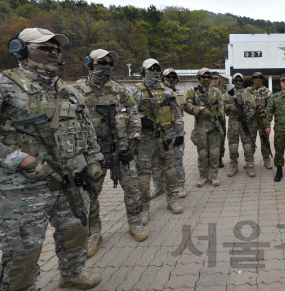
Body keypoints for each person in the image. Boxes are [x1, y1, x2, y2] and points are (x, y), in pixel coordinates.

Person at [0, 28, 103, 289]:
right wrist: (19, 159)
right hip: (24, 186)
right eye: (45, 48)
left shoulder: (69, 90)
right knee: (24, 247)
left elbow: (86, 130)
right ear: (20, 50)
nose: (54, 53)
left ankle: (72, 272)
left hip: (71, 179)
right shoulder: (6, 85)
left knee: (75, 230)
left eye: (57, 49)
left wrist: (93, 160)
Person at [72, 49, 149, 257]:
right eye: (100, 62)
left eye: (109, 63)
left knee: (132, 188)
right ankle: (93, 234)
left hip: (121, 149)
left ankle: (135, 223)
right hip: (92, 153)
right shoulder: (76, 91)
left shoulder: (121, 90)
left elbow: (134, 115)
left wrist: (133, 142)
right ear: (89, 63)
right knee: (90, 195)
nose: (105, 66)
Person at [131, 59, 184, 224]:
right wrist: (140, 120)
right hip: (146, 140)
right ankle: (144, 209)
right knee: (144, 177)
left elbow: (176, 114)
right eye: (150, 69)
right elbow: (127, 115)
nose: (154, 72)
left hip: (166, 136)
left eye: (157, 69)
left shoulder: (168, 92)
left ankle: (172, 200)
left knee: (170, 170)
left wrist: (180, 134)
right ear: (143, 71)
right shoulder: (135, 92)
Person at [184, 68, 225, 187]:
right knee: (202, 153)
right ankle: (203, 177)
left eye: (208, 77)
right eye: (204, 77)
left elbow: (221, 106)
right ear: (199, 77)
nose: (206, 79)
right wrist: (199, 109)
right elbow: (186, 106)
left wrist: (220, 117)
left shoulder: (216, 92)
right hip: (200, 126)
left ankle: (214, 177)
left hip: (214, 125)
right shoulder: (193, 91)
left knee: (215, 153)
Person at [162, 68, 188, 198]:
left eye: (173, 77)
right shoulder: (157, 92)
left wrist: (180, 134)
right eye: (168, 77)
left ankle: (181, 186)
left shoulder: (178, 94)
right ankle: (158, 186)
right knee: (158, 164)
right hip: (161, 133)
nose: (171, 79)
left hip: (175, 132)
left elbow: (182, 112)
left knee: (178, 161)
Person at [225, 73, 256, 177]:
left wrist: (247, 117)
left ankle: (250, 165)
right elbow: (222, 106)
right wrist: (230, 107)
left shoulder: (248, 94)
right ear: (233, 82)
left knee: (248, 146)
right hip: (233, 123)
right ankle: (234, 166)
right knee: (233, 147)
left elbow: (253, 107)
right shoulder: (228, 94)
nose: (238, 82)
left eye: (240, 80)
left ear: (243, 81)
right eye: (236, 80)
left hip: (245, 123)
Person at [246, 72, 273, 169]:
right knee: (250, 140)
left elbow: (271, 106)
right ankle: (249, 160)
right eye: (256, 78)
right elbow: (244, 104)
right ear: (252, 79)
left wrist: (264, 113)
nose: (258, 79)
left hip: (263, 120)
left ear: (262, 79)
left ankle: (266, 160)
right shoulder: (247, 91)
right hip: (251, 120)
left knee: (265, 140)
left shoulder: (267, 92)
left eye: (260, 77)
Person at [211, 71, 228, 168]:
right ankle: (210, 158)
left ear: (219, 80)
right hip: (209, 120)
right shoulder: (206, 91)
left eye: (216, 79)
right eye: (213, 79)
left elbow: (227, 104)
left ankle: (220, 158)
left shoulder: (223, 92)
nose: (214, 80)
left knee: (221, 138)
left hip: (221, 119)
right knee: (210, 140)